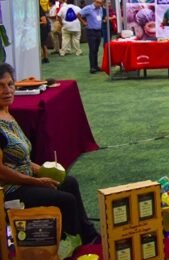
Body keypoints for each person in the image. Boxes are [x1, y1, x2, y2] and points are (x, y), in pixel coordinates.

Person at [0, 63, 99, 243]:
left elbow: (22, 160)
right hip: (11, 190)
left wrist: (45, 171)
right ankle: (70, 246)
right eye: (1, 86)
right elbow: (1, 172)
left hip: (25, 179)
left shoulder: (8, 115)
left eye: (10, 84)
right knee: (65, 200)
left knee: (69, 182)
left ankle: (89, 236)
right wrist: (37, 181)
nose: (7, 90)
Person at [79, 0, 104, 73]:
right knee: (92, 49)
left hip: (98, 31)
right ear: (94, 1)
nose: (98, 4)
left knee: (96, 49)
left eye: (100, 3)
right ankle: (92, 67)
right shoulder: (88, 8)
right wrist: (83, 22)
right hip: (91, 31)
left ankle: (96, 66)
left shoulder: (100, 9)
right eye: (97, 2)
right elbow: (78, 14)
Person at [39, 0, 50, 64]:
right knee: (43, 44)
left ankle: (46, 58)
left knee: (43, 44)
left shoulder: (40, 12)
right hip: (43, 29)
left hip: (43, 29)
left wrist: (36, 23)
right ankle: (45, 58)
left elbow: (44, 22)